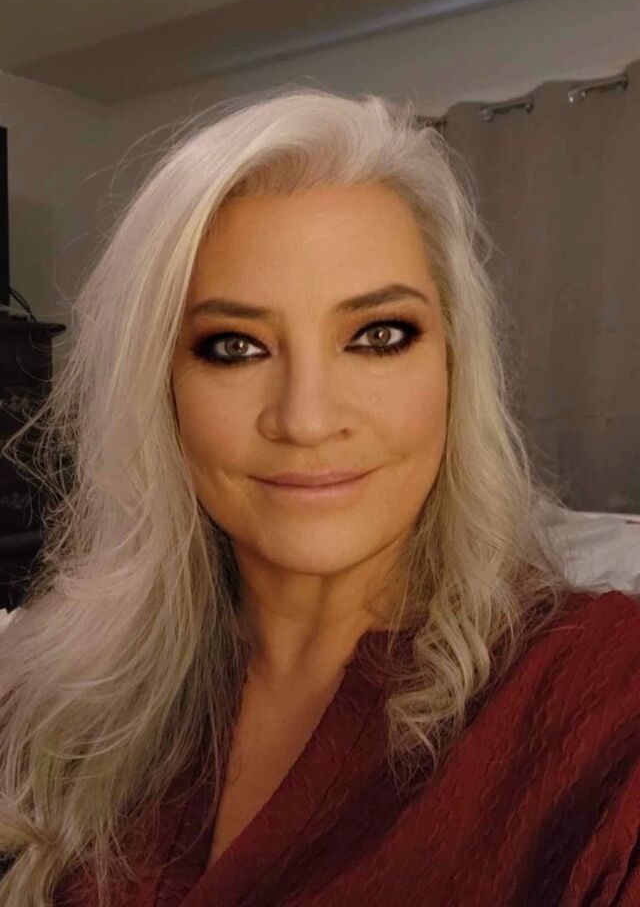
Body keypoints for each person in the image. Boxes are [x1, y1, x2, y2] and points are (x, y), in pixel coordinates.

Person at [0, 86, 637, 907]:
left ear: (454, 367)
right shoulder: (67, 698)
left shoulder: (603, 698)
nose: (305, 420)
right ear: (161, 391)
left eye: (377, 336)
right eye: (235, 347)